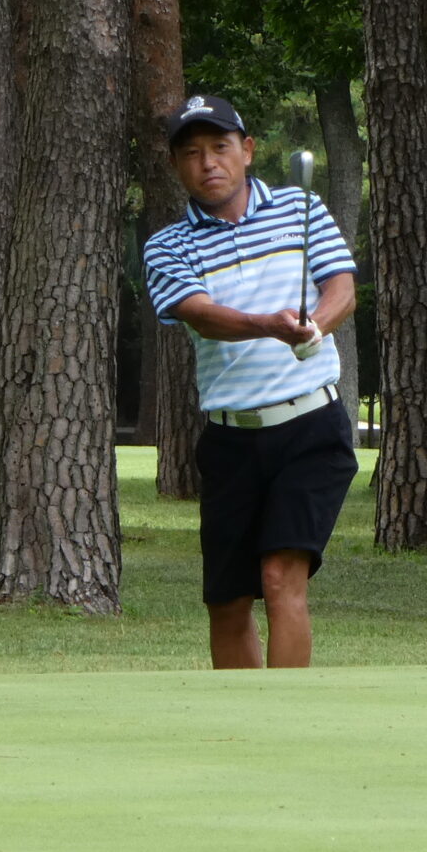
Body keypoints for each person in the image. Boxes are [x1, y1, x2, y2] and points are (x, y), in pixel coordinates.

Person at [143, 94, 360, 669]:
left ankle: (285, 713)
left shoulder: (301, 209)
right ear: (176, 165)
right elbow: (201, 314)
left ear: (247, 150)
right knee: (228, 600)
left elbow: (341, 288)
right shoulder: (166, 246)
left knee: (280, 577)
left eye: (220, 147)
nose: (208, 163)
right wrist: (270, 326)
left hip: (311, 427)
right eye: (191, 153)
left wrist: (316, 326)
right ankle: (241, 713)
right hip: (231, 439)